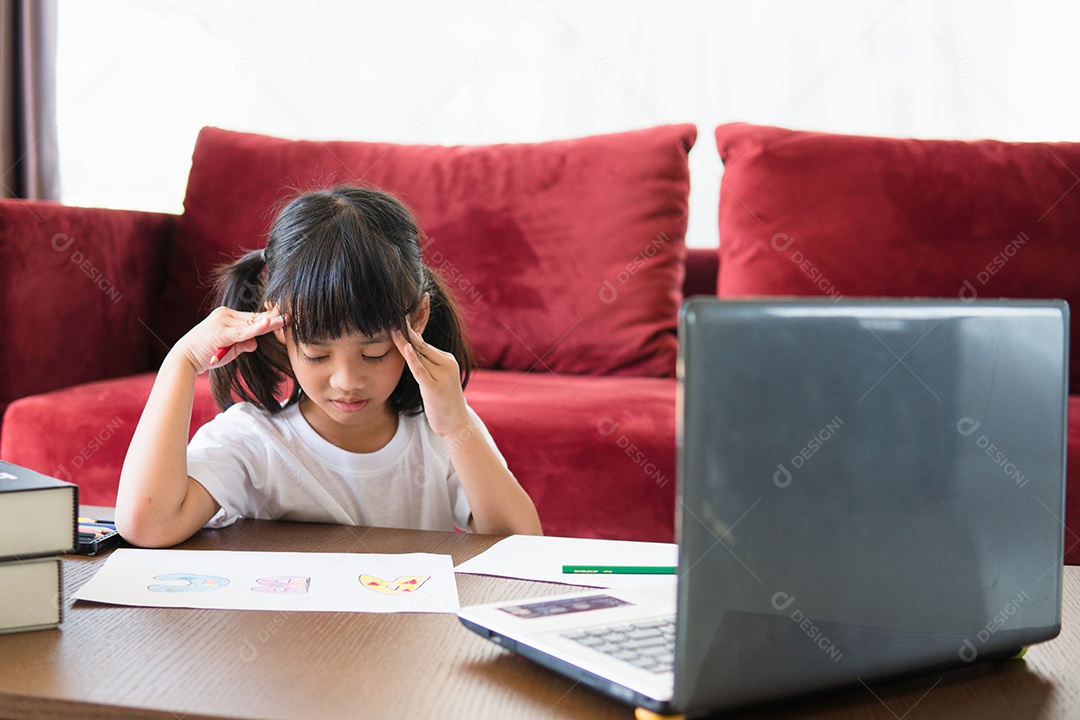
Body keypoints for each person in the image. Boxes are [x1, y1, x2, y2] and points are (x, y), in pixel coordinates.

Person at [115, 186, 542, 547]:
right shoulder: (254, 441)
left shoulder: (440, 437)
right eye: (318, 355)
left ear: (417, 320)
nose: (348, 381)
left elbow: (519, 545)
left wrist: (454, 425)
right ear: (279, 325)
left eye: (374, 353)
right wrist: (183, 362)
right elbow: (146, 524)